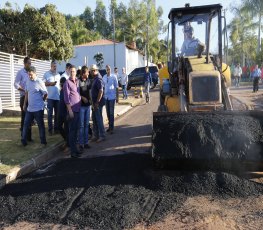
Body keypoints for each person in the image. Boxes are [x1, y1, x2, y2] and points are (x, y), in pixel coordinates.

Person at [21, 66, 47, 147]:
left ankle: (43, 142)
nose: (29, 76)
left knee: (40, 126)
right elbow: (27, 93)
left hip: (38, 109)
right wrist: (25, 104)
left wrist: (42, 101)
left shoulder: (39, 82)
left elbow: (45, 93)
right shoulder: (28, 81)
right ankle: (23, 140)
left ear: (35, 73)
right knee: (26, 124)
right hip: (29, 109)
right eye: (29, 74)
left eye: (31, 74)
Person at [63, 65, 82, 158]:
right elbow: (66, 98)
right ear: (68, 72)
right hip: (72, 110)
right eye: (71, 71)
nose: (72, 73)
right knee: (72, 131)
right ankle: (73, 152)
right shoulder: (67, 83)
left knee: (76, 131)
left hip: (78, 109)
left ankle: (75, 149)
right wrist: (69, 110)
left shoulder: (77, 81)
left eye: (74, 71)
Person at [14, 56, 32, 141]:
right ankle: (23, 137)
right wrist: (24, 90)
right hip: (23, 97)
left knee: (30, 117)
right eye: (29, 63)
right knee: (24, 117)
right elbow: (16, 84)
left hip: (31, 97)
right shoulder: (20, 72)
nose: (30, 64)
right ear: (25, 64)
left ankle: (29, 137)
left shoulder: (31, 72)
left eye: (30, 63)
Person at [43, 60, 61, 135]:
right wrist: (51, 83)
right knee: (50, 114)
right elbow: (43, 83)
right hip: (50, 97)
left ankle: (56, 129)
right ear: (51, 66)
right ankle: (50, 130)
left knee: (57, 114)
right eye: (54, 66)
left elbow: (59, 85)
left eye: (56, 66)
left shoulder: (58, 75)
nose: (55, 68)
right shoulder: (46, 74)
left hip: (57, 97)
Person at [90, 64, 106, 142]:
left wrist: (97, 102)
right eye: (91, 71)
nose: (92, 72)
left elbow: (101, 91)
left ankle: (102, 135)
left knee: (99, 119)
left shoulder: (98, 79)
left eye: (93, 70)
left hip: (98, 103)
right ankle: (96, 135)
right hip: (94, 103)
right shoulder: (95, 78)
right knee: (94, 119)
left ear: (96, 70)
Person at [79, 66, 92, 151]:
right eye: (87, 72)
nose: (88, 74)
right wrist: (82, 98)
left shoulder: (88, 81)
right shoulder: (78, 81)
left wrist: (91, 101)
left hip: (88, 106)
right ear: (83, 73)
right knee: (81, 125)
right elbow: (76, 93)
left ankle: (86, 142)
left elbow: (90, 91)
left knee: (87, 125)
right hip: (81, 107)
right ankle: (81, 143)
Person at [103, 65, 118, 134]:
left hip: (112, 97)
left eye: (109, 69)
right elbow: (103, 87)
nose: (108, 70)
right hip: (106, 97)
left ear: (110, 69)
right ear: (105, 70)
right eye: (107, 69)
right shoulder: (104, 77)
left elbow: (117, 87)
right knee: (108, 113)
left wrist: (117, 97)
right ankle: (109, 127)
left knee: (111, 113)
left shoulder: (114, 77)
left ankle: (112, 128)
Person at [58, 77, 69, 148]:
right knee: (59, 126)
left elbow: (68, 102)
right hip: (60, 112)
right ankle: (66, 140)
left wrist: (68, 112)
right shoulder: (61, 90)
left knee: (66, 129)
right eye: (61, 83)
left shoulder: (67, 91)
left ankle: (68, 144)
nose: (61, 85)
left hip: (66, 113)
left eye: (63, 83)